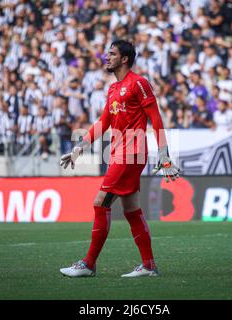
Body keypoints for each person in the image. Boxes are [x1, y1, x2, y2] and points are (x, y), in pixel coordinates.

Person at [59, 40, 180, 278]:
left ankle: (88, 264)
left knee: (100, 201)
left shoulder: (139, 83)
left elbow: (155, 118)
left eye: (112, 54)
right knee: (131, 209)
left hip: (132, 153)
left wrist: (164, 154)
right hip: (118, 152)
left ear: (124, 59)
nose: (107, 57)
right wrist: (79, 148)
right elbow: (103, 122)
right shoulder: (113, 89)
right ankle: (149, 266)